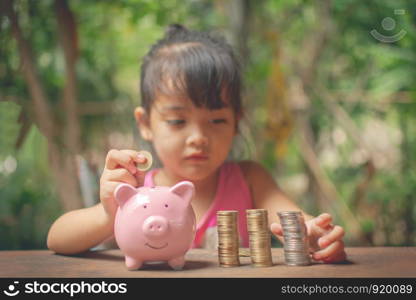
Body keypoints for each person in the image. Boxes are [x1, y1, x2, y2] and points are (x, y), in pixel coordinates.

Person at [47, 24, 346, 263]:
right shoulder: (135, 191)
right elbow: (57, 238)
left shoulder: (250, 179)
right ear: (145, 124)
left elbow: (298, 223)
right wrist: (108, 213)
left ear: (236, 121)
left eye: (216, 121)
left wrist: (317, 237)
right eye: (177, 121)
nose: (198, 138)